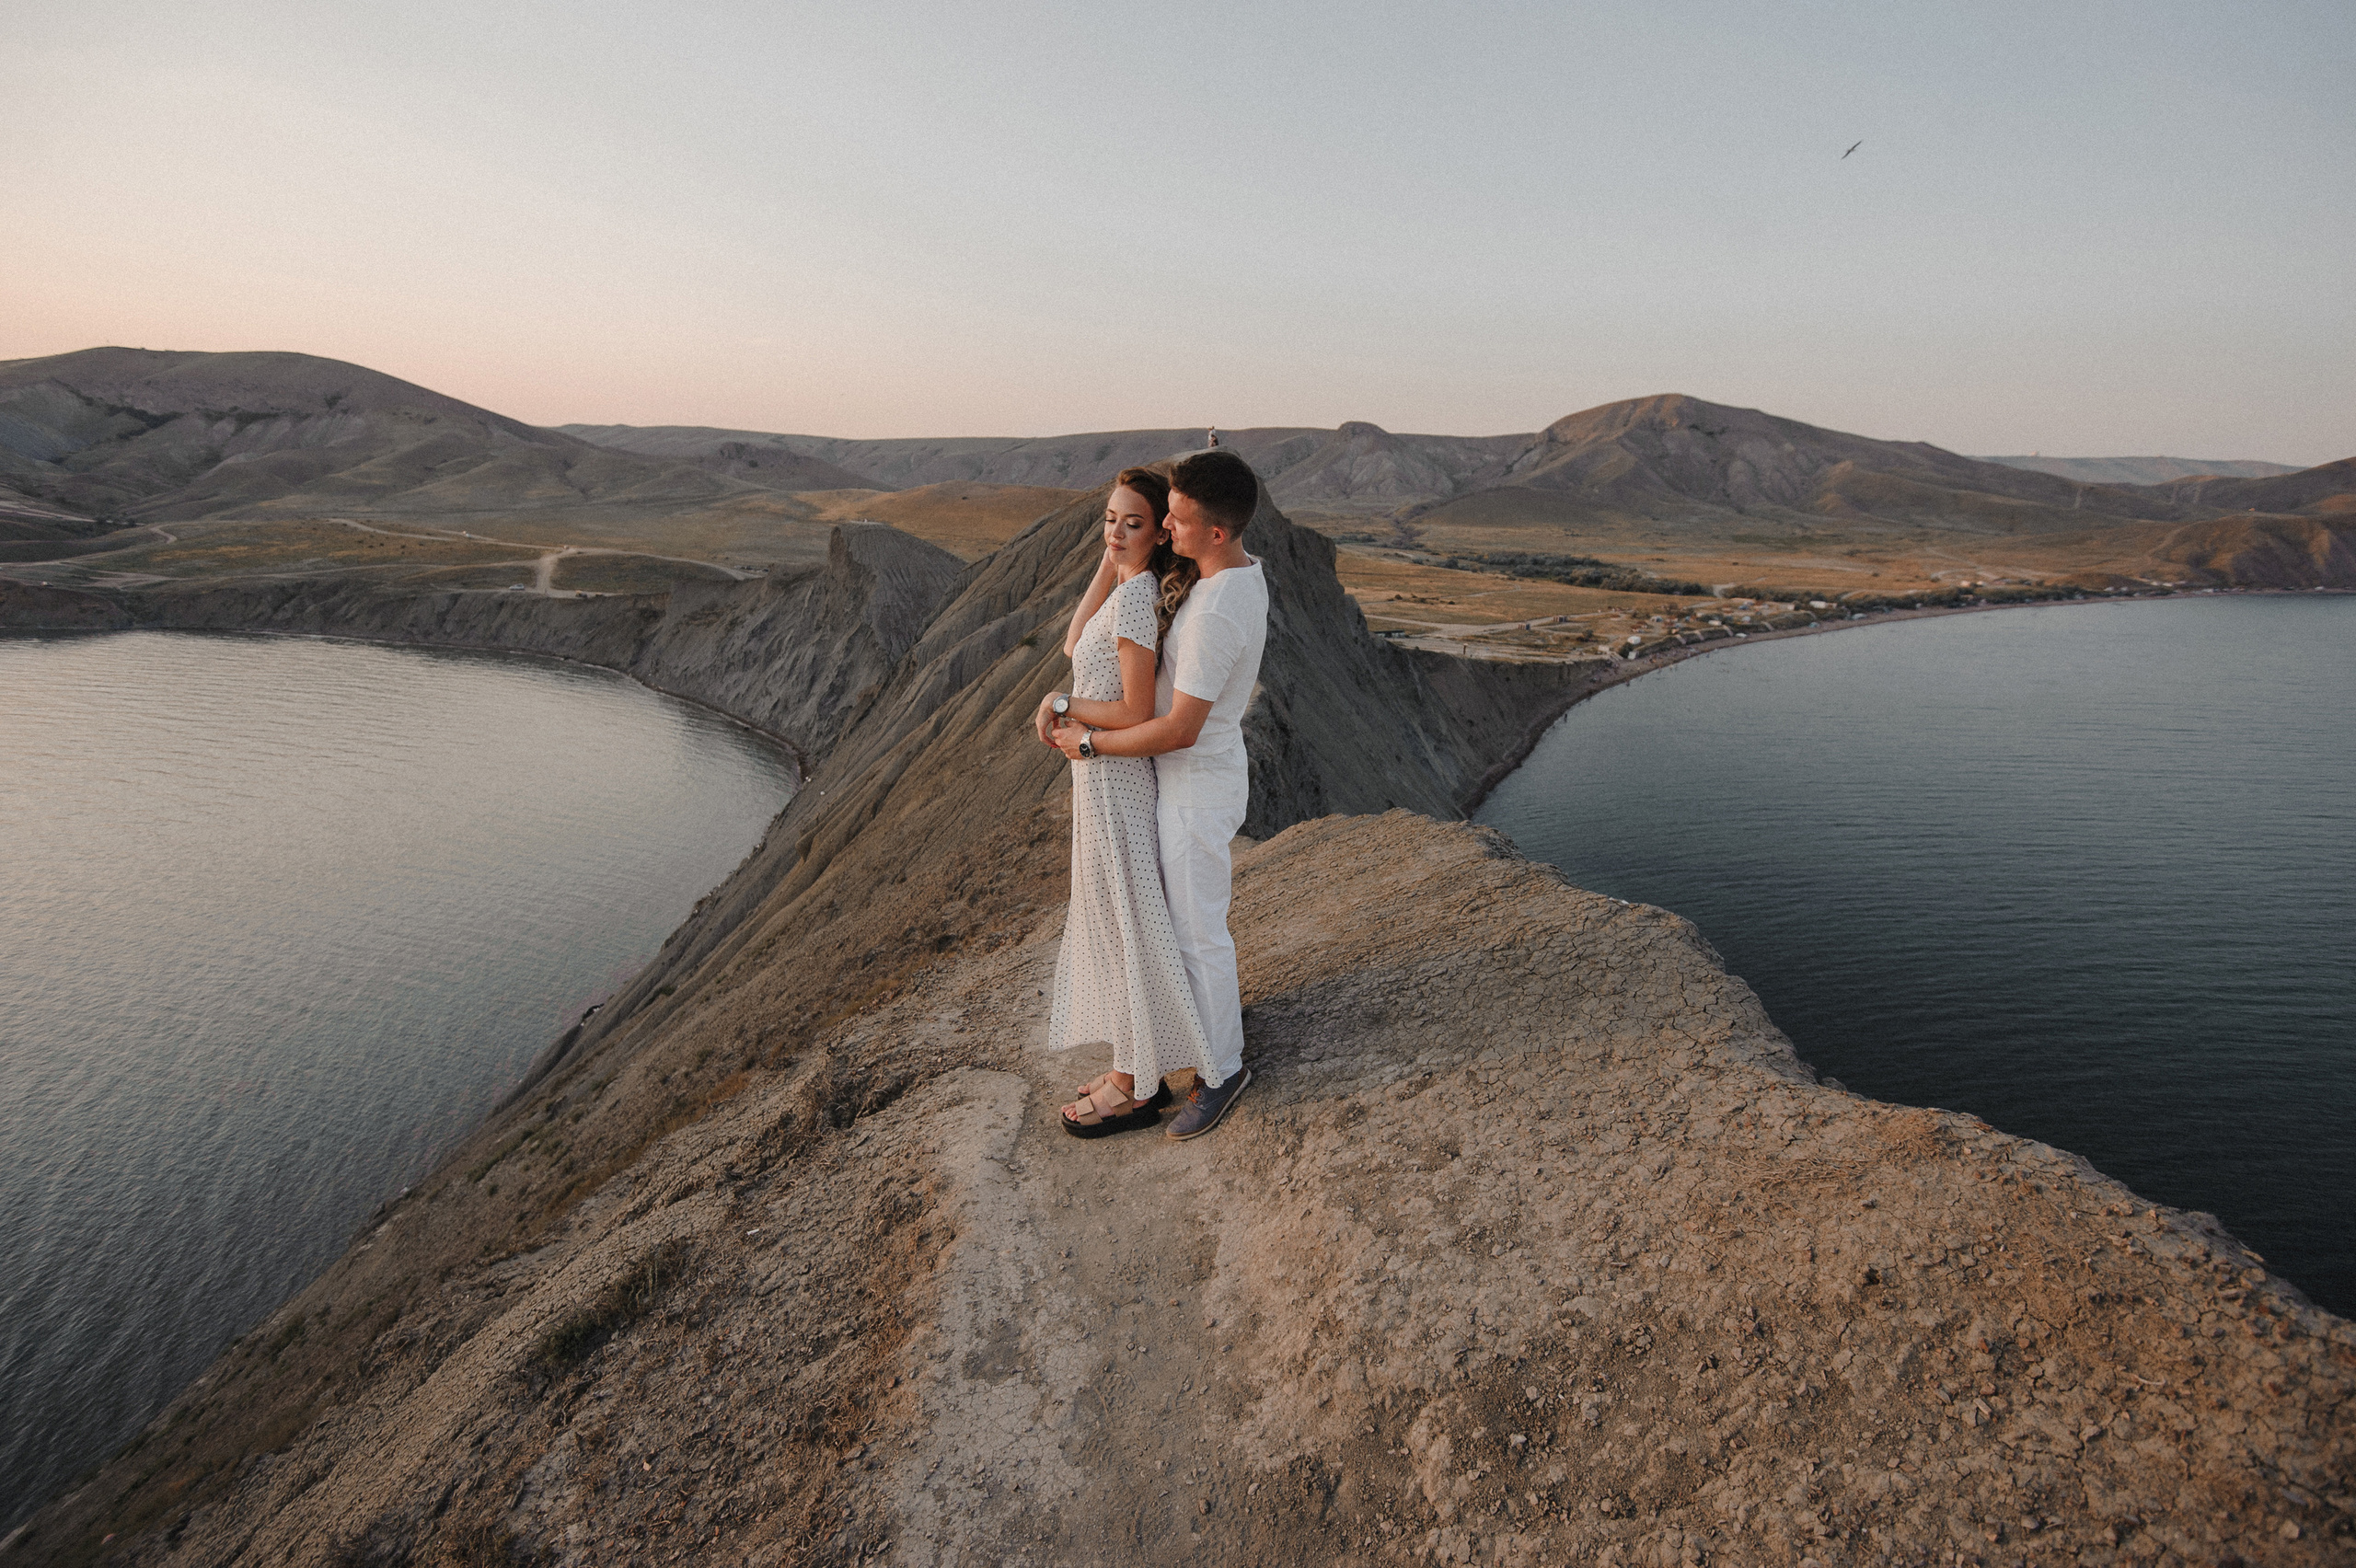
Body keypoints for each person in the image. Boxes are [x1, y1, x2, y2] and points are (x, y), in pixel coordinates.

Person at [1050, 448, 1267, 1140]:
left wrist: (1085, 741)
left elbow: (1174, 729)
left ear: (1216, 533)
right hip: (1183, 781)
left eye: (1173, 521)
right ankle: (1188, 1044)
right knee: (1174, 926)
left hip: (1193, 786)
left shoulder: (1213, 614)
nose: (1166, 530)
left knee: (1197, 932)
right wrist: (1118, 549)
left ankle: (1224, 1072)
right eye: (1161, 517)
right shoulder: (1222, 581)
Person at [1034, 469, 1217, 1137]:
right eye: (1109, 518)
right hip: (1098, 780)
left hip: (1113, 778)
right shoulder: (1125, 587)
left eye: (1132, 522)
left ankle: (1137, 1087)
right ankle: (1131, 1068)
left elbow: (1136, 709)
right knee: (1116, 925)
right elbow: (1072, 642)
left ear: (1160, 532)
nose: (1114, 530)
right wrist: (1112, 556)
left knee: (1127, 928)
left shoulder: (1140, 601)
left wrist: (1062, 706)